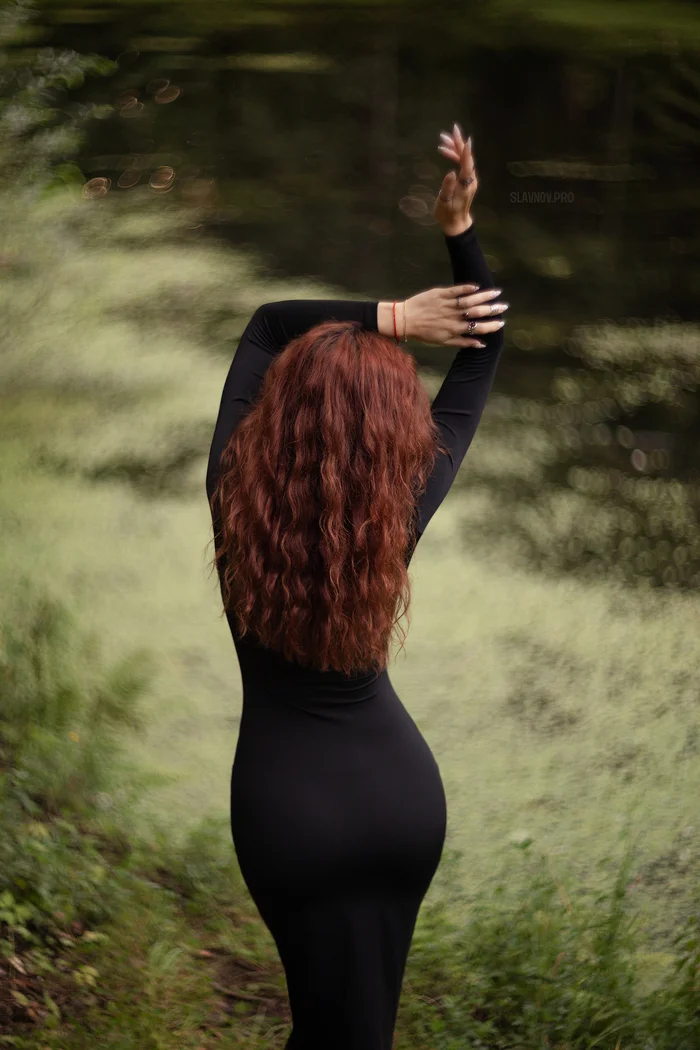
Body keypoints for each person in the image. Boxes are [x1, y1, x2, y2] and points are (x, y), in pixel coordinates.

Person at [206, 124, 507, 1050]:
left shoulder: (232, 499)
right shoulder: (394, 517)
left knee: (329, 1026)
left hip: (289, 809)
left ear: (282, 412)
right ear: (393, 442)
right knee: (360, 1028)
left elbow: (268, 322)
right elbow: (488, 346)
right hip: (399, 799)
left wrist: (392, 317)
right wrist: (460, 231)